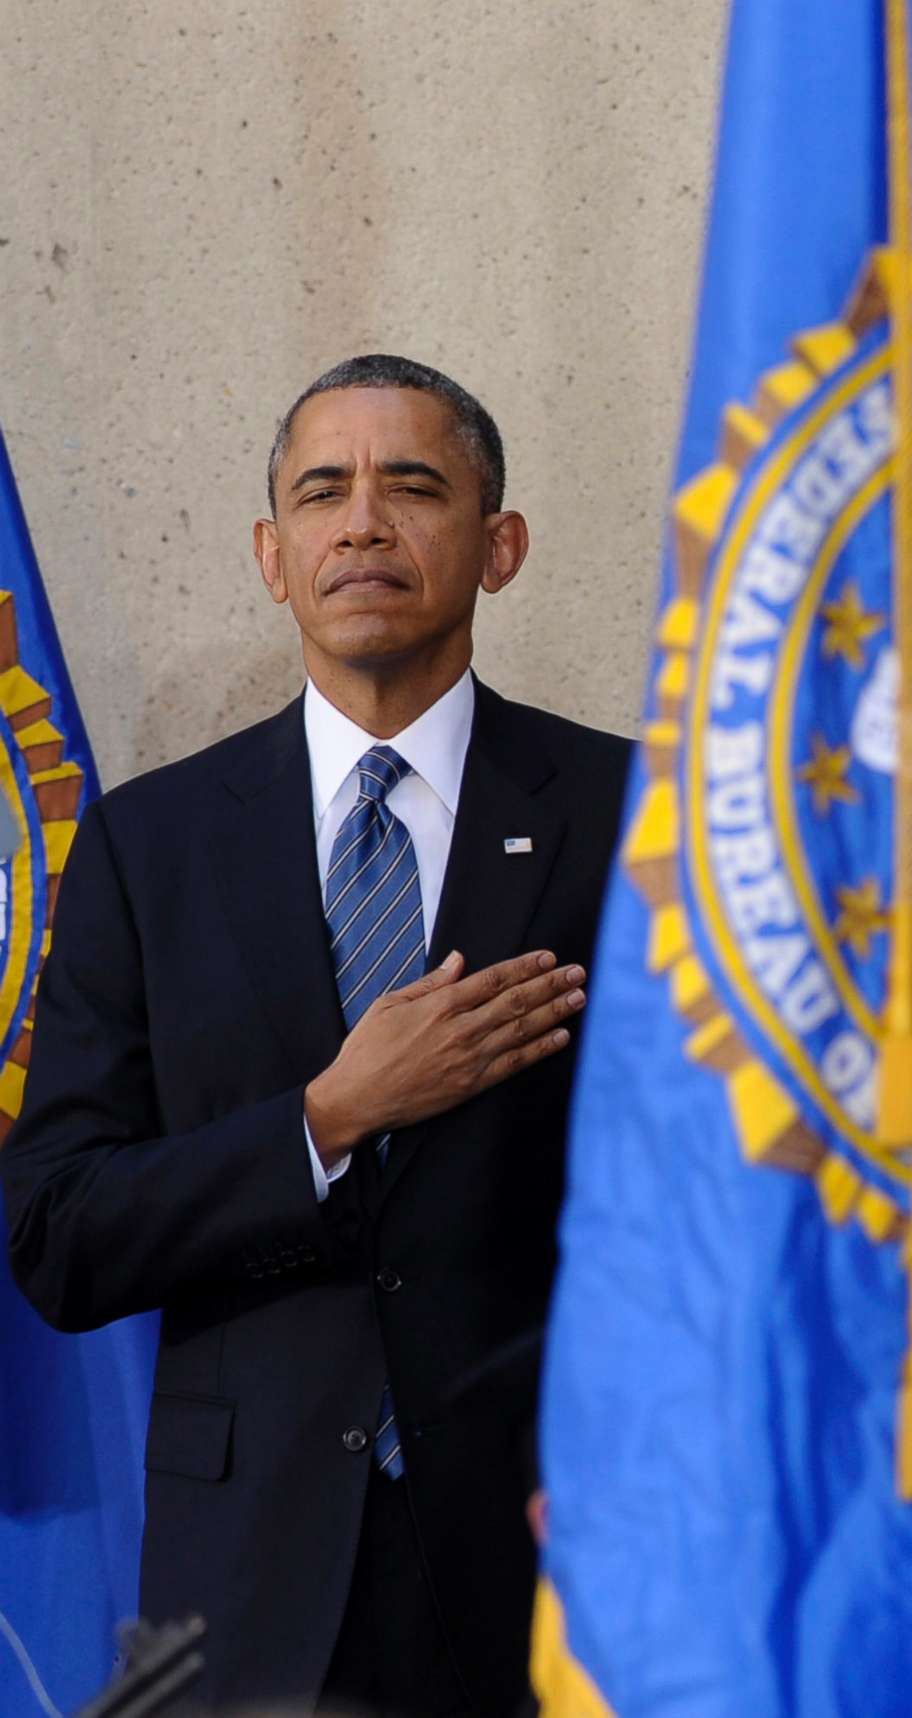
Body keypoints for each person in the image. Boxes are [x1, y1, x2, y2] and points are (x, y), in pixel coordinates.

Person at [2, 354, 631, 1716]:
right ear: (273, 555)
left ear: (500, 544)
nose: (363, 523)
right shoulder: (147, 847)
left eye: (413, 485)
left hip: (553, 1558)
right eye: (322, 492)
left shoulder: (634, 814)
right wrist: (324, 1120)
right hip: (246, 1584)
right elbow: (56, 1228)